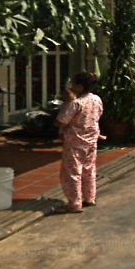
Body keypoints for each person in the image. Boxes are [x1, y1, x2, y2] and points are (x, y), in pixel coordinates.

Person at [55, 71, 104, 214]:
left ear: (80, 87)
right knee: (89, 169)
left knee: (72, 172)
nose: (71, 86)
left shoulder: (76, 103)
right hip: (91, 140)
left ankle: (74, 203)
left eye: (74, 84)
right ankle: (89, 197)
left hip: (74, 143)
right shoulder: (96, 99)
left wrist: (67, 102)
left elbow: (61, 121)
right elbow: (99, 114)